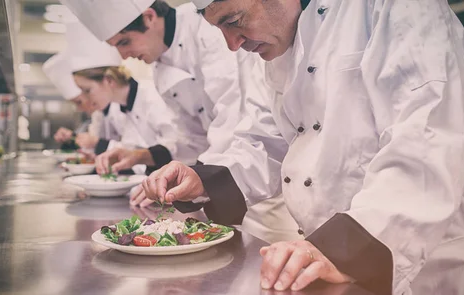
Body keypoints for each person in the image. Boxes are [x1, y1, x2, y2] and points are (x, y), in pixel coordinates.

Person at [136, 0, 464, 294]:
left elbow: (424, 142)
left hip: (425, 263)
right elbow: (264, 139)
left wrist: (344, 248)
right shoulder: (268, 44)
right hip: (326, 260)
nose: (232, 43)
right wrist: (205, 180)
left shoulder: (394, 6)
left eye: (233, 20)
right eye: (219, 27)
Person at [60, 0, 301, 243]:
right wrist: (147, 160)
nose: (124, 57)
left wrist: (200, 177)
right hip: (227, 178)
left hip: (263, 186)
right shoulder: (160, 68)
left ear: (150, 17)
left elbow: (233, 120)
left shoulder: (209, 32)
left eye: (124, 42)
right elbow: (189, 139)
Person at [66, 21, 204, 175]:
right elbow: (133, 148)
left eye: (87, 90)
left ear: (109, 80)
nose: (85, 99)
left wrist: (104, 146)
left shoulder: (152, 97)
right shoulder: (122, 106)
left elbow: (182, 147)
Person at [42, 51, 125, 152]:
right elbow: (94, 146)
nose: (80, 108)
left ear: (108, 81)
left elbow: (135, 151)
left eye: (79, 101)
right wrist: (73, 138)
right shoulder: (99, 113)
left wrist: (96, 143)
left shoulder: (121, 107)